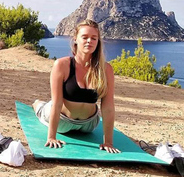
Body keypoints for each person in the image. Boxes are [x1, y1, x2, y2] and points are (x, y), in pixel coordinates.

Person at [32, 19, 121, 153]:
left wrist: (108, 142)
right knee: (44, 107)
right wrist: (51, 137)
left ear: (98, 42)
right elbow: (57, 103)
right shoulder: (62, 65)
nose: (89, 41)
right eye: (84, 37)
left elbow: (108, 106)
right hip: (62, 122)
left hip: (89, 125)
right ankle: (37, 104)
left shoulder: (106, 69)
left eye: (94, 38)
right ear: (75, 40)